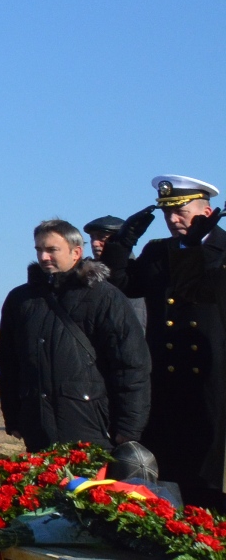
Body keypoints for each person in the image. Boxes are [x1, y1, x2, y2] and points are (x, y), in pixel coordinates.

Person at [98, 175, 224, 506]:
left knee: (205, 480)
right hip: (165, 382)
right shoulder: (158, 252)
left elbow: (200, 287)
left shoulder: (222, 250)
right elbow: (119, 285)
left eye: (181, 211)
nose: (173, 219)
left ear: (207, 211)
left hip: (210, 386)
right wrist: (121, 245)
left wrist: (192, 249)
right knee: (165, 475)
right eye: (168, 213)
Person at [0, 219, 149, 454]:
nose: (44, 257)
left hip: (92, 426)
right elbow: (9, 363)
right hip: (37, 428)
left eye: (52, 250)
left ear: (76, 252)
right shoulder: (21, 300)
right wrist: (14, 417)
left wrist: (129, 427)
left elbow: (130, 365)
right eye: (39, 250)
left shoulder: (104, 297)